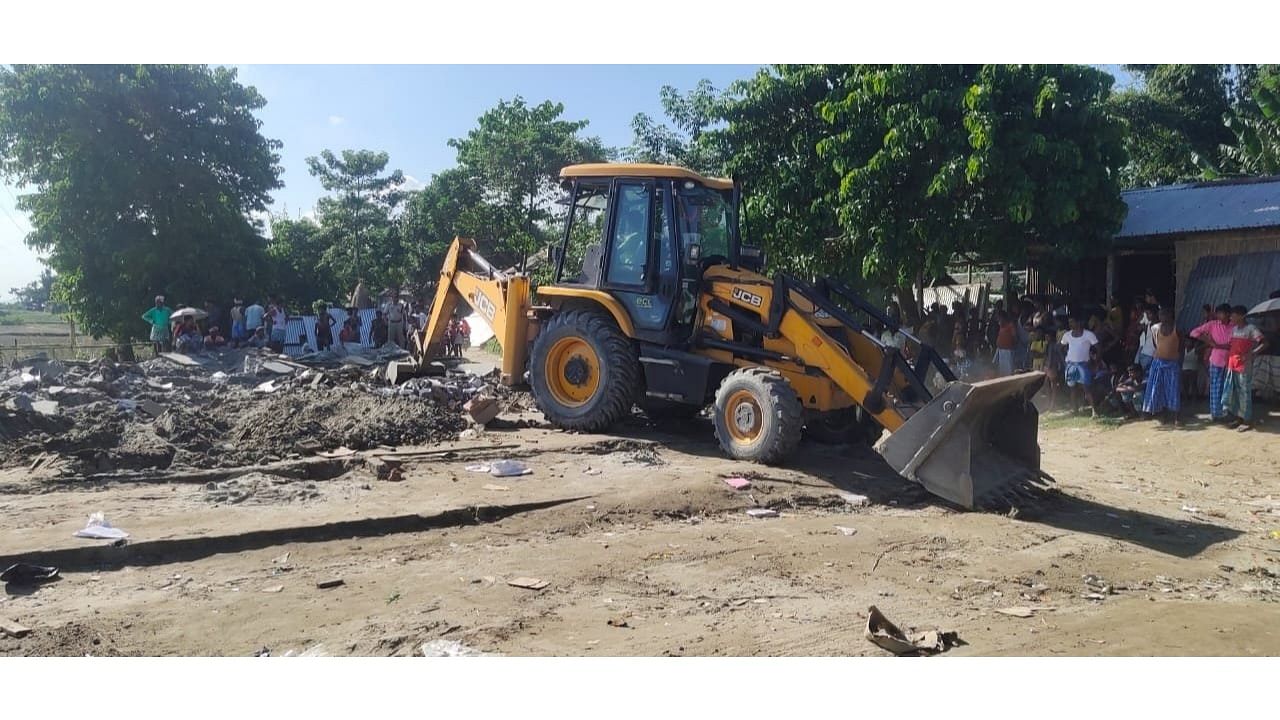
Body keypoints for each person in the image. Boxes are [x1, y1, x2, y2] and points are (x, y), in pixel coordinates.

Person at [1221, 305, 1269, 432]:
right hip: (1232, 365)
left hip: (1243, 366)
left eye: (1233, 315)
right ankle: (1239, 418)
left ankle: (1247, 420)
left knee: (1245, 393)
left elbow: (1265, 343)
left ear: (1242, 316)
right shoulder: (1234, 329)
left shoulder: (1251, 329)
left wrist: (1251, 354)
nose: (1231, 317)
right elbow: (1230, 345)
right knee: (1235, 393)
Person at [1189, 303, 1235, 422]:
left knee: (1228, 387)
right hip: (1216, 360)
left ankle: (1227, 412)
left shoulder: (1234, 326)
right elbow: (1194, 332)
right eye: (1218, 313)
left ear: (1228, 314)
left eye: (1221, 313)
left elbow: (1233, 344)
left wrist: (1220, 345)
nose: (1219, 315)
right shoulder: (1213, 324)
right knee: (1215, 387)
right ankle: (1216, 413)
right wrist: (1208, 341)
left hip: (1230, 361)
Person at [1142, 307, 1183, 425]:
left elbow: (1181, 346)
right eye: (1160, 315)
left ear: (1170, 315)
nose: (1162, 318)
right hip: (1158, 362)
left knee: (1173, 389)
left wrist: (1179, 362)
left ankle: (1176, 417)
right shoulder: (1155, 328)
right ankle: (1162, 414)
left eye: (1164, 315)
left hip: (1172, 363)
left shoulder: (1177, 329)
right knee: (1158, 388)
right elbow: (1156, 344)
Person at [1061, 316, 1099, 416]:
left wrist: (1095, 362)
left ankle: (1094, 411)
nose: (1070, 325)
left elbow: (1099, 348)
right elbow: (1061, 347)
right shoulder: (1067, 335)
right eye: (1069, 322)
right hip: (1070, 364)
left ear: (1079, 322)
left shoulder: (1088, 334)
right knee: (1072, 389)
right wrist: (1065, 360)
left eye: (1072, 322)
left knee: (1086, 388)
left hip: (1083, 364)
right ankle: (1075, 410)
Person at [1134, 305, 1157, 372]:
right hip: (1144, 352)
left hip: (1150, 354)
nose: (1147, 316)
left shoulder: (1157, 326)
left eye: (1149, 314)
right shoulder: (1148, 325)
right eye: (1146, 314)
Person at [993, 311, 1016, 376]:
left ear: (1003, 318)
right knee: (1002, 370)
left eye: (999, 318)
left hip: (1007, 351)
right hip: (1000, 350)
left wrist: (1012, 346)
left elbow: (1015, 337)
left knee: (1008, 370)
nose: (998, 321)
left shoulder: (1011, 325)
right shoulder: (1001, 326)